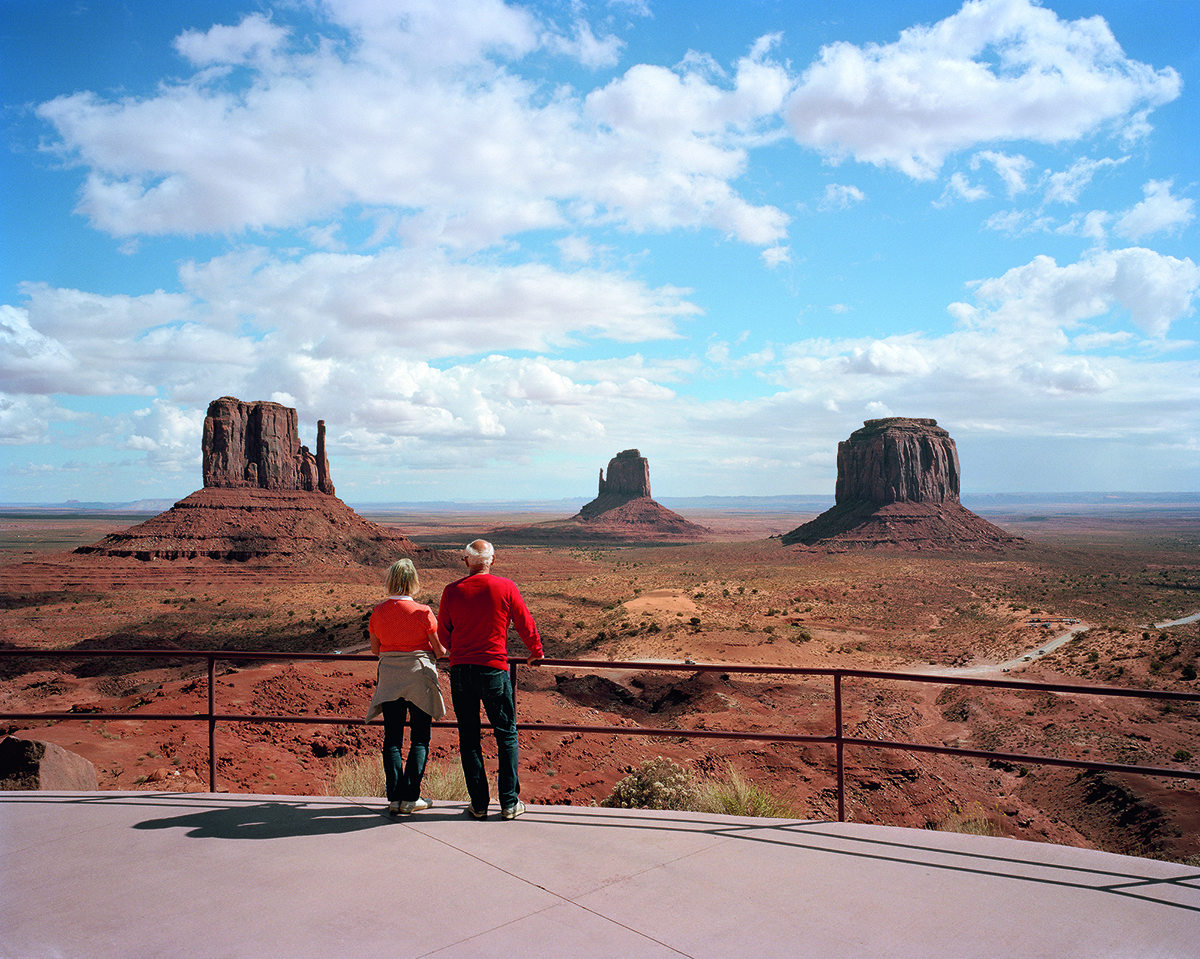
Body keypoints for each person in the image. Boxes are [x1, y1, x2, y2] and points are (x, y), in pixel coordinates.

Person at [437, 539, 542, 820]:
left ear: (466, 561)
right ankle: (509, 803)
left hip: (461, 671)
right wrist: (535, 651)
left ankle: (479, 804)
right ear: (492, 561)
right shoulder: (505, 587)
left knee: (469, 737)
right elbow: (524, 621)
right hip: (494, 670)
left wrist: (457, 649)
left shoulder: (451, 591)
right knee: (506, 733)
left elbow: (443, 635)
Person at [365, 558, 446, 815]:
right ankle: (411, 798)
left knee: (392, 739)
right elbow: (440, 651)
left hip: (390, 677)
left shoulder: (378, 612)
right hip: (418, 677)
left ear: (390, 581)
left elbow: (376, 650)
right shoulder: (423, 612)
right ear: (413, 582)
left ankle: (395, 798)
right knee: (420, 738)